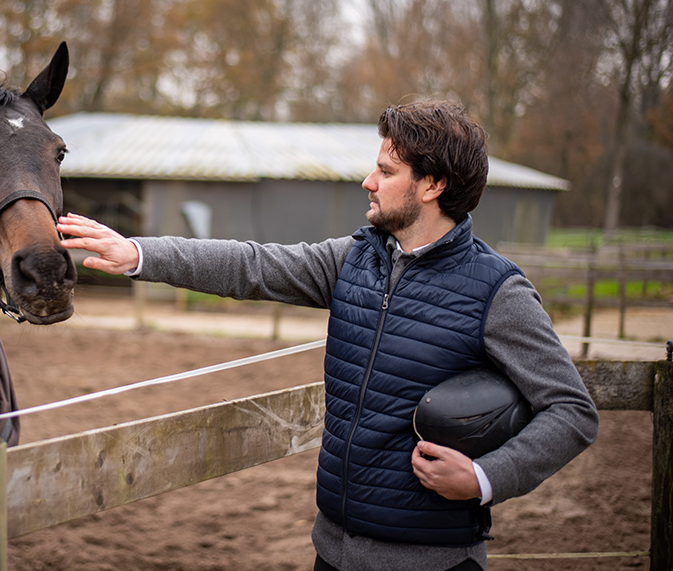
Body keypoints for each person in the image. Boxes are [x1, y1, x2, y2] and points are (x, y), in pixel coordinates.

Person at [57, 101, 599, 571]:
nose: (368, 181)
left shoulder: (496, 291)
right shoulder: (354, 260)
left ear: (432, 185)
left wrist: (484, 478)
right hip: (332, 552)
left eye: (385, 171)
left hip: (433, 563)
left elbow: (572, 411)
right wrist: (139, 255)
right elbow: (253, 266)